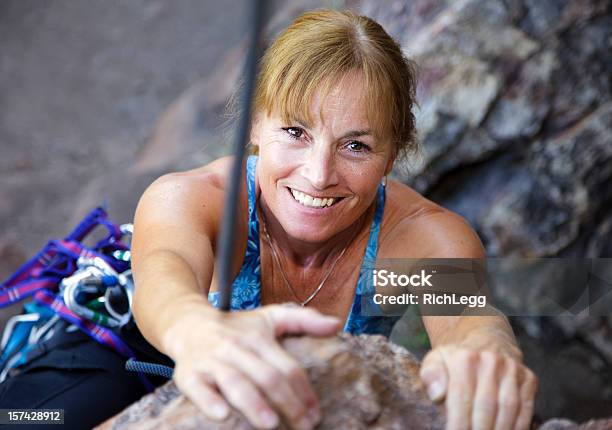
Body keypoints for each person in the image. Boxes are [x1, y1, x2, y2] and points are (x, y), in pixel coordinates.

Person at [130, 9, 538, 430]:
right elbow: (164, 276)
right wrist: (193, 327)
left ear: (390, 158)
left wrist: (485, 350)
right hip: (142, 364)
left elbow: (465, 316)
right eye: (295, 132)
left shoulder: (421, 237)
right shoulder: (195, 199)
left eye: (356, 146)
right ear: (255, 124)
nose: (319, 174)